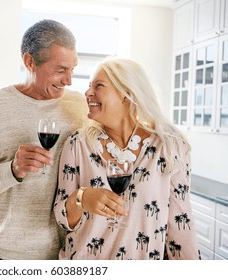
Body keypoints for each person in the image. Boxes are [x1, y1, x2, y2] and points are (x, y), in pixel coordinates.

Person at [0, 19, 88, 260]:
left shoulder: (81, 106)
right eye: (60, 70)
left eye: (72, 69)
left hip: (69, 253)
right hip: (8, 254)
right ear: (29, 62)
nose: (69, 80)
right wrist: (13, 170)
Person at [54, 57, 200, 260]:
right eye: (89, 86)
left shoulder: (170, 146)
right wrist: (81, 197)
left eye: (99, 85)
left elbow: (180, 223)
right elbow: (63, 219)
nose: (87, 93)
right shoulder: (78, 144)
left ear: (126, 95)